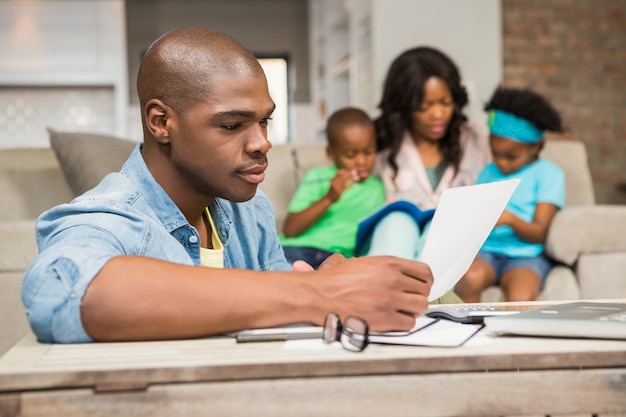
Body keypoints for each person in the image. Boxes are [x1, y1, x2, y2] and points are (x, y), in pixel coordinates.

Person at [21, 27, 434, 344]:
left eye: (264, 121)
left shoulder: (251, 210)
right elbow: (59, 291)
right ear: (161, 122)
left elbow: (276, 320)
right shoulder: (110, 215)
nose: (262, 143)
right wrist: (316, 293)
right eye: (232, 125)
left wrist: (317, 288)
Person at [358, 46, 491, 303]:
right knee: (399, 224)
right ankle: (385, 302)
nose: (438, 114)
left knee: (439, 233)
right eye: (425, 106)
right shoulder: (378, 143)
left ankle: (416, 309)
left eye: (445, 102)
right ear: (404, 105)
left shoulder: (476, 141)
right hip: (392, 237)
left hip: (448, 242)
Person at [454, 87, 566, 303]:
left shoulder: (549, 174)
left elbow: (540, 233)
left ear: (536, 146)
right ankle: (470, 333)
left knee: (521, 295)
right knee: (468, 279)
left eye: (511, 156)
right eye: (495, 153)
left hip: (527, 255)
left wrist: (509, 220)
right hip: (486, 252)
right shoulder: (488, 172)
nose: (501, 162)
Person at [280, 107, 386, 269]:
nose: (361, 161)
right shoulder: (318, 177)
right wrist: (329, 197)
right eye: (351, 155)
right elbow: (290, 229)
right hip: (298, 248)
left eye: (369, 152)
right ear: (331, 153)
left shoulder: (378, 188)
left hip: (338, 258)